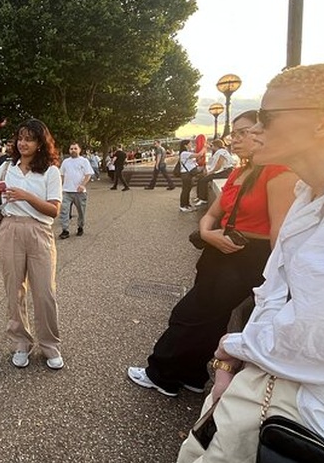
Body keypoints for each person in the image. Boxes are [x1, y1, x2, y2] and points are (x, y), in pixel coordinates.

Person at [176, 62, 324, 463]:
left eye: (266, 117)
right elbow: (275, 291)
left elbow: (322, 335)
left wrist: (233, 346)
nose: (252, 129)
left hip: (313, 414)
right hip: (271, 385)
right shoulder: (309, 194)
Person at [127, 109, 296, 397]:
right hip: (218, 249)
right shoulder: (239, 172)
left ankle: (162, 374)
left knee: (190, 314)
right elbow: (212, 213)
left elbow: (279, 234)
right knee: (210, 317)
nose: (238, 139)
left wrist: (280, 283)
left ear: (264, 135)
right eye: (237, 133)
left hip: (245, 256)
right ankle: (192, 374)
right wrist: (207, 233)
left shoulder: (278, 172)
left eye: (247, 132)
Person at [0, 118, 64, 370]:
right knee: (14, 291)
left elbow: (54, 210)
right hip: (10, 228)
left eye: (29, 138)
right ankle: (20, 343)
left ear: (40, 142)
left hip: (39, 231)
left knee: (44, 292)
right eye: (20, 138)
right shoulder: (8, 168)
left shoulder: (50, 170)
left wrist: (26, 196)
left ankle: (50, 345)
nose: (23, 143)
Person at [58, 142, 94, 239]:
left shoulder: (84, 161)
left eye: (75, 148)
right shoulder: (65, 162)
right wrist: (59, 186)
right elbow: (61, 174)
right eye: (71, 149)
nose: (73, 150)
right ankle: (65, 230)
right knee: (64, 211)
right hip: (67, 191)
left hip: (79, 192)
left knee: (81, 211)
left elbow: (88, 174)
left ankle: (80, 227)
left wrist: (82, 185)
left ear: (79, 150)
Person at [194, 139, 233, 206]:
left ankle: (203, 199)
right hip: (223, 171)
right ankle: (199, 196)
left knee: (204, 180)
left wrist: (211, 172)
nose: (211, 147)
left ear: (216, 146)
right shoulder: (221, 152)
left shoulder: (222, 152)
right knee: (201, 178)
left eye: (212, 146)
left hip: (225, 172)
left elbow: (218, 165)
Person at [177, 139, 206, 212]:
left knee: (188, 190)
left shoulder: (187, 153)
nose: (191, 145)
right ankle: (183, 206)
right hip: (186, 174)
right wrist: (204, 147)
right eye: (190, 144)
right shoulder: (184, 153)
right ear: (185, 145)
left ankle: (187, 205)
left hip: (188, 174)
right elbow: (198, 155)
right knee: (185, 190)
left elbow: (197, 158)